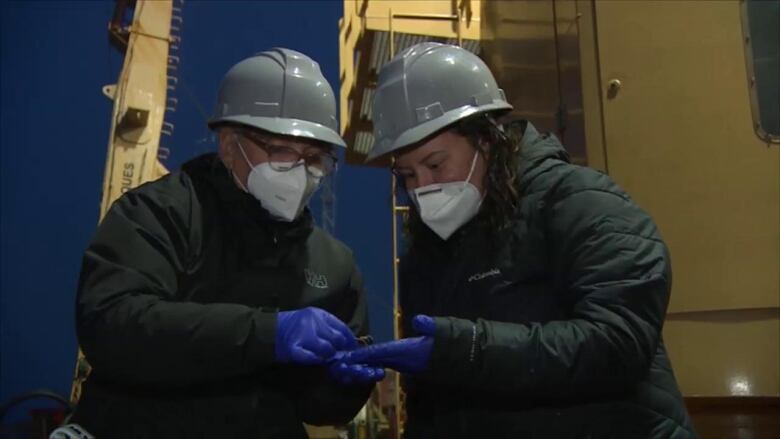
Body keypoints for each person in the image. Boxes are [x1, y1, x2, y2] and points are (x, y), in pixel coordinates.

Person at [344, 42, 696, 438]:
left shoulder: (583, 204)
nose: (423, 189)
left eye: (435, 164)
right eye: (407, 176)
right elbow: (435, 410)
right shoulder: (425, 262)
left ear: (487, 140)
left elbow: (618, 343)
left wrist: (469, 348)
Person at [71, 48, 383, 438]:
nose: (301, 172)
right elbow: (112, 326)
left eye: (315, 157)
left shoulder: (333, 265)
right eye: (281, 150)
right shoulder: (162, 214)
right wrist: (268, 334)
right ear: (229, 143)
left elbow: (319, 409)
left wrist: (343, 384)